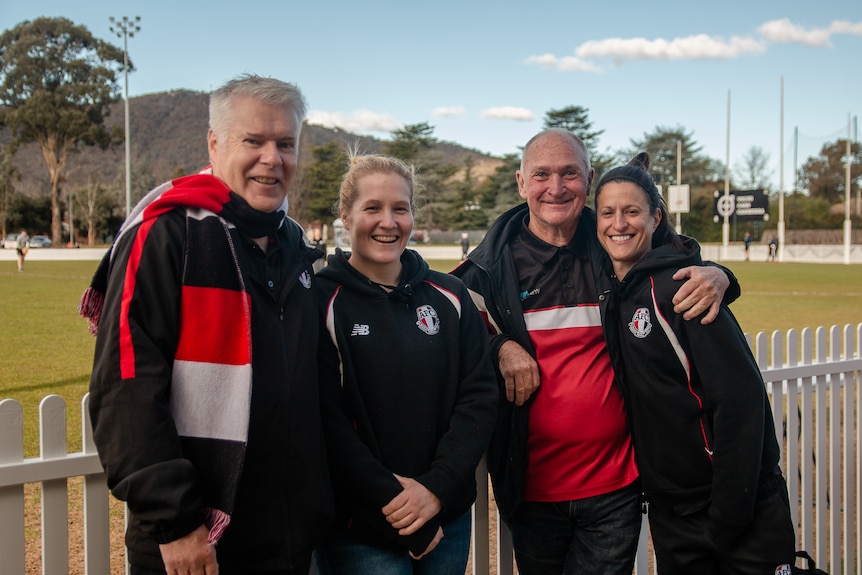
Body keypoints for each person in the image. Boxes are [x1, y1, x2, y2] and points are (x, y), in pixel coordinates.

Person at [452, 128, 739, 575]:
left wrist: (720, 274)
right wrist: (499, 346)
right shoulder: (486, 269)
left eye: (570, 173)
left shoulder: (614, 240)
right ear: (521, 182)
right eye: (542, 174)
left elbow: (679, 257)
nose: (556, 186)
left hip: (616, 489)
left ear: (588, 177)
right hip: (532, 493)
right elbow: (454, 336)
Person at [83, 74, 333, 575]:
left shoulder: (293, 244)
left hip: (288, 532)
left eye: (286, 143)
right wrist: (174, 523)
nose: (272, 157)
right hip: (199, 538)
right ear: (214, 144)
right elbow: (126, 388)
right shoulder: (165, 233)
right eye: (253, 141)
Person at [594, 153, 796, 574]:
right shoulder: (613, 288)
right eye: (607, 212)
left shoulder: (687, 288)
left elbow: (741, 403)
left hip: (733, 510)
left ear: (656, 217)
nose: (619, 224)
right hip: (673, 514)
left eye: (632, 211)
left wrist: (727, 518)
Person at [314, 153, 498, 575]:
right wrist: (392, 503)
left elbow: (478, 398)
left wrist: (436, 489)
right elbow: (326, 421)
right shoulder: (321, 300)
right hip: (361, 526)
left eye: (400, 208)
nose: (388, 222)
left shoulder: (449, 296)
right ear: (346, 214)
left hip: (445, 516)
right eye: (372, 208)